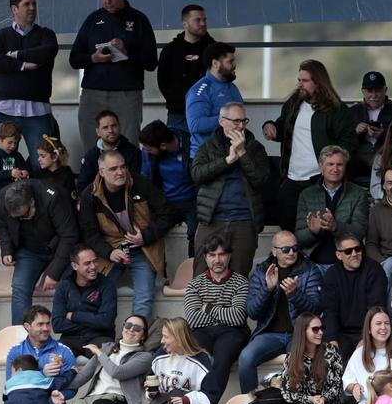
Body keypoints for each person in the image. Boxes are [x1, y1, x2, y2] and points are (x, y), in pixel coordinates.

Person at [79, 148, 181, 318]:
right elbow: (89, 233)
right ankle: (99, 337)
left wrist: (146, 236)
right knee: (94, 294)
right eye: (113, 169)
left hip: (143, 249)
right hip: (111, 250)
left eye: (123, 167)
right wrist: (109, 252)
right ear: (101, 172)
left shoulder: (139, 183)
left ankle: (136, 339)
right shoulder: (90, 195)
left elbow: (169, 213)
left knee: (144, 296)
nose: (120, 172)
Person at [262, 59, 358, 230]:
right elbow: (282, 127)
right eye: (299, 80)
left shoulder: (337, 110)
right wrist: (270, 126)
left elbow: (349, 143)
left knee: (318, 231)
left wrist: (333, 167)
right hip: (291, 178)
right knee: (288, 230)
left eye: (304, 81)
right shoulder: (293, 104)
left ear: (318, 82)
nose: (300, 85)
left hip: (319, 180)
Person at [69, 0, 158, 143]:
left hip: (127, 93)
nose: (107, 0)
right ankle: (95, 170)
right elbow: (74, 59)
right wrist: (93, 58)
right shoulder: (92, 20)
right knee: (91, 144)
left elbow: (151, 62)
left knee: (129, 143)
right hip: (93, 92)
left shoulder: (139, 20)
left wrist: (127, 52)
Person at [192, 101, 271, 277]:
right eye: (236, 121)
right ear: (222, 121)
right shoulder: (207, 146)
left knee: (238, 281)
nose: (241, 126)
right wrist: (227, 160)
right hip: (212, 220)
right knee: (201, 277)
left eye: (244, 121)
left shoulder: (255, 148)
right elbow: (197, 175)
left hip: (244, 220)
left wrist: (242, 154)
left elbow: (260, 180)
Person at [239, 231, 323, 393]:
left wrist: (295, 295)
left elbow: (316, 309)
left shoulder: (310, 269)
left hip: (299, 333)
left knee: (298, 363)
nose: (291, 252)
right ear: (274, 251)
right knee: (245, 357)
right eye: (285, 249)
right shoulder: (262, 271)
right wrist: (268, 289)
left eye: (295, 248)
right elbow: (252, 312)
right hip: (269, 334)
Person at [0, 0, 60, 168]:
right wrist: (23, 65)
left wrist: (15, 55)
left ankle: (42, 197)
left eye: (34, 3)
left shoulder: (46, 34)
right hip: (5, 111)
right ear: (14, 9)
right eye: (26, 4)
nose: (32, 7)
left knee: (43, 164)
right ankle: (6, 197)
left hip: (38, 113)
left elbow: (47, 52)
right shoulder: (1, 36)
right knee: (3, 166)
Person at [0, 179, 80, 326]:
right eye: (17, 218)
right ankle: (19, 336)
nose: (22, 219)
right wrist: (6, 250)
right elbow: (3, 225)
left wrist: (54, 273)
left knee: (69, 287)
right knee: (20, 287)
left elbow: (69, 235)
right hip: (29, 250)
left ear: (32, 202)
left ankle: (68, 334)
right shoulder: (4, 196)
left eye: (24, 214)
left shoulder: (53, 197)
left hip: (59, 247)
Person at [183, 236, 250, 404]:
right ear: (205, 257)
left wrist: (208, 308)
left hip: (233, 332)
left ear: (229, 256)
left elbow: (238, 317)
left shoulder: (241, 282)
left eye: (222, 254)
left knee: (223, 355)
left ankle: (207, 402)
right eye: (212, 255)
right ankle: (189, 402)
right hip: (203, 331)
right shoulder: (194, 285)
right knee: (194, 354)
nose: (217, 260)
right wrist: (224, 313)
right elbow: (193, 318)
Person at [296, 145, 371, 269]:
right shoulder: (307, 195)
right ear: (321, 167)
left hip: (346, 262)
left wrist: (336, 227)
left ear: (345, 167)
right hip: (313, 262)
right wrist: (312, 232)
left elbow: (359, 232)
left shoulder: (358, 193)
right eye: (330, 164)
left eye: (340, 164)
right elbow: (298, 237)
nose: (335, 169)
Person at [139, 119, 196, 256]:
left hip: (192, 201)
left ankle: (194, 270)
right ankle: (161, 272)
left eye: (150, 149)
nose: (146, 151)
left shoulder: (190, 145)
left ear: (163, 146)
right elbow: (145, 180)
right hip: (165, 202)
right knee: (150, 231)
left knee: (196, 232)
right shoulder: (149, 154)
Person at [321, 234, 387, 352]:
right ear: (339, 255)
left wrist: (365, 338)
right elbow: (330, 311)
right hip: (341, 333)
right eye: (348, 251)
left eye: (357, 249)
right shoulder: (332, 275)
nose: (354, 254)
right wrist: (332, 340)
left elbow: (376, 308)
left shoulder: (374, 270)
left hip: (369, 331)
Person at [157, 3, 215, 133]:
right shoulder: (170, 50)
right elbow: (163, 81)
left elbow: (221, 78)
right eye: (197, 20)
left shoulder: (214, 50)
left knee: (207, 152)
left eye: (204, 20)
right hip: (178, 114)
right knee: (177, 151)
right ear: (185, 24)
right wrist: (176, 101)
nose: (202, 23)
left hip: (208, 113)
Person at [51, 245, 117, 355]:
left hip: (99, 338)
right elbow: (57, 325)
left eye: (95, 261)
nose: (94, 266)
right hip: (70, 339)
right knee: (53, 356)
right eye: (87, 263)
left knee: (105, 354)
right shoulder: (64, 286)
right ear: (74, 266)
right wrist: (94, 319)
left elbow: (106, 321)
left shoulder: (107, 284)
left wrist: (74, 316)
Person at [185, 41, 245, 157]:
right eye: (230, 61)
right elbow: (195, 125)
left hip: (232, 154)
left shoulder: (232, 88)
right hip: (205, 158)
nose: (234, 65)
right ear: (215, 63)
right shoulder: (200, 90)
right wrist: (227, 120)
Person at [351, 71, 392, 183]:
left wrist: (386, 133)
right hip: (357, 170)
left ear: (385, 90)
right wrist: (356, 131)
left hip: (389, 169)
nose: (374, 95)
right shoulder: (353, 112)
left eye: (378, 90)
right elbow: (342, 140)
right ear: (363, 91)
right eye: (369, 91)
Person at [76, 110, 143, 191]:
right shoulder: (90, 156)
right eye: (105, 127)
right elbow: (82, 185)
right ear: (98, 132)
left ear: (119, 127)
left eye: (114, 126)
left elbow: (138, 182)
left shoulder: (133, 152)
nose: (111, 130)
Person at [0, 120, 31, 193]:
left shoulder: (17, 155)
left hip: (15, 191)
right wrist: (10, 173)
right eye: (9, 143)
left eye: (15, 143)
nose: (13, 146)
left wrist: (25, 173)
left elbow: (24, 168)